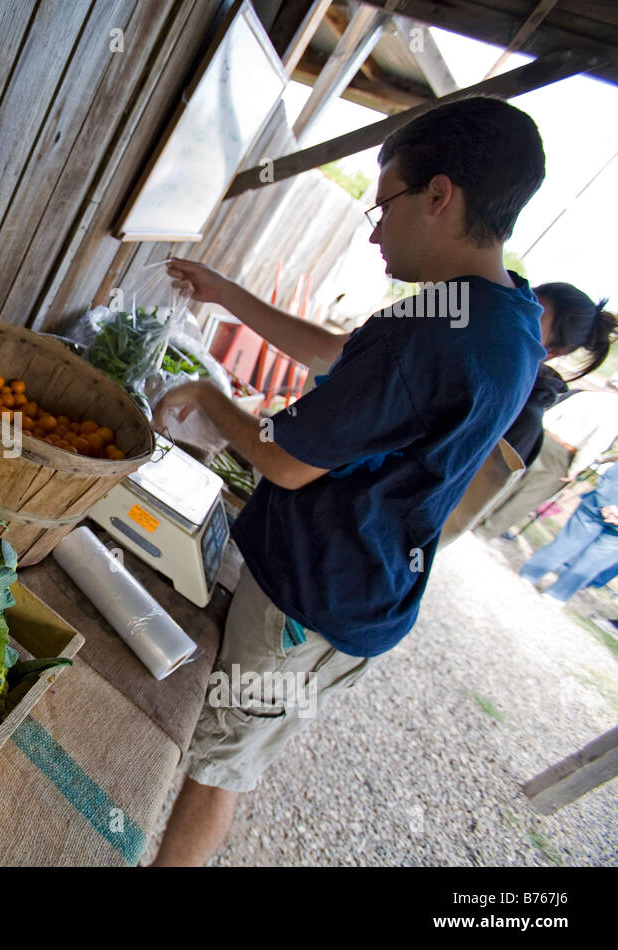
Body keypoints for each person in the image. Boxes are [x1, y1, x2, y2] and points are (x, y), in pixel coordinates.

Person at [147, 96, 547, 867]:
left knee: (215, 767)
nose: (373, 229)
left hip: (310, 597)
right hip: (368, 596)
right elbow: (338, 355)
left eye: (385, 201)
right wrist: (226, 295)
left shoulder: (428, 335)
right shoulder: (506, 313)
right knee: (237, 750)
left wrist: (205, 399)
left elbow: (286, 462)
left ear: (439, 196)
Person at [477, 285, 618, 538]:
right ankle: (486, 529)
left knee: (506, 484)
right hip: (561, 453)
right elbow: (594, 444)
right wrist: (576, 468)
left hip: (546, 438)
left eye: (534, 313)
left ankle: (481, 520)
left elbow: (555, 412)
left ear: (554, 352)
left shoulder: (588, 397)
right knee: (524, 494)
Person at [518, 462, 618, 602]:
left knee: (570, 543)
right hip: (601, 507)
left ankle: (530, 575)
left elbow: (613, 477)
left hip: (601, 504)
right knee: (592, 558)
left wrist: (607, 503)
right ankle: (556, 594)